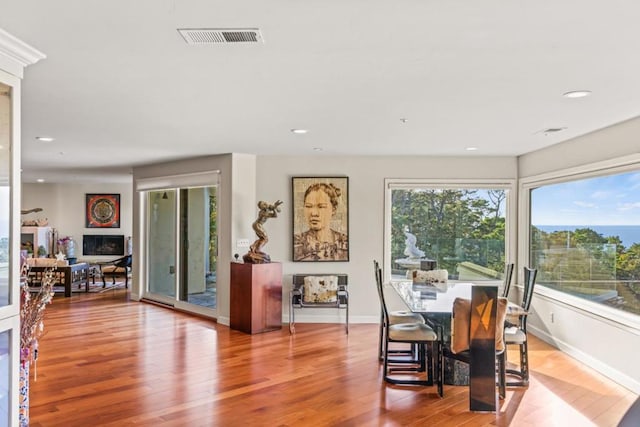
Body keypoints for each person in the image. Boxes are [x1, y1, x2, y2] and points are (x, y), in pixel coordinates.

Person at [294, 183, 348, 261]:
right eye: (308, 206)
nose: (314, 213)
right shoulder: (295, 242)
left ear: (334, 209)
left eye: (321, 207)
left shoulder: (345, 241)